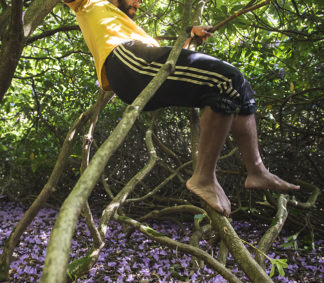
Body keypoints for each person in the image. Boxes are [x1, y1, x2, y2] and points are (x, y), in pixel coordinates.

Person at [64, 0, 300, 216]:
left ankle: (256, 170)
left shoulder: (133, 29)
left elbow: (168, 64)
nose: (139, 2)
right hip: (126, 62)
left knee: (236, 86)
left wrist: (189, 36)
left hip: (144, 68)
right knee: (226, 79)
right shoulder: (90, 4)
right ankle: (204, 177)